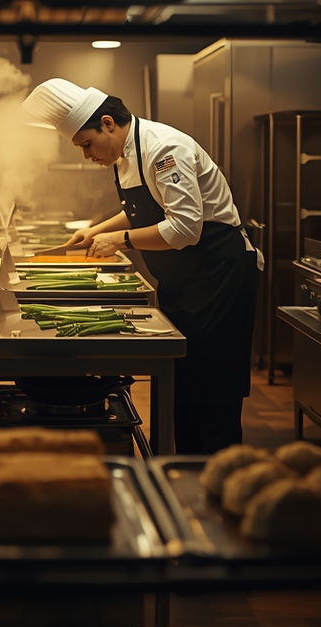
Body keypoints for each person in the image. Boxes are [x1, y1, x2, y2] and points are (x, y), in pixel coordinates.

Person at [21, 78, 262, 454]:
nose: (86, 155)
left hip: (218, 276)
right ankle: (184, 467)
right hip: (185, 278)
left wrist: (121, 241)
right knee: (184, 382)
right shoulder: (125, 154)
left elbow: (184, 228)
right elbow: (140, 210)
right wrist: (94, 231)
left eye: (86, 145)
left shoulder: (164, 148)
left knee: (214, 388)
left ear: (107, 123)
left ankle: (220, 473)